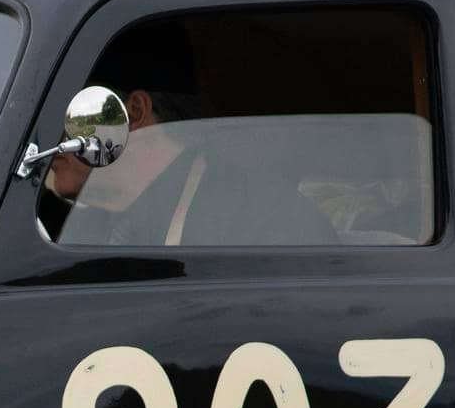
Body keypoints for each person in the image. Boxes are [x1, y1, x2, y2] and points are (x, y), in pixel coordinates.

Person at [42, 22, 337, 247]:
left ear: (134, 112)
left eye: (70, 112)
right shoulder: (80, 231)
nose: (51, 136)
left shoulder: (271, 226)